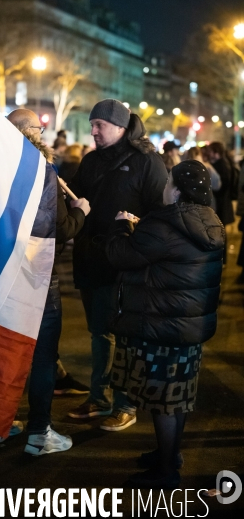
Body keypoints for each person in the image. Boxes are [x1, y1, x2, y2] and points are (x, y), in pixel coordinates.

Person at [104, 160, 224, 488]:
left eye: (169, 181)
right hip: (189, 326)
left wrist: (120, 226)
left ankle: (167, 471)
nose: (164, 186)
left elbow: (120, 256)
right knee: (178, 397)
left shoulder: (164, 224)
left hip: (162, 326)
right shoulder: (209, 220)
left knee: (163, 402)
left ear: (178, 190)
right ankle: (168, 455)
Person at [0, 108, 90, 455]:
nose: (44, 132)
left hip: (0, 275)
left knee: (5, 352)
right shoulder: (38, 171)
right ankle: (38, 432)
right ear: (27, 131)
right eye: (39, 127)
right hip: (37, 276)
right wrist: (81, 212)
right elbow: (58, 230)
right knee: (43, 356)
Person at [68, 98, 168, 430]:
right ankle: (99, 399)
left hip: (126, 264)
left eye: (100, 125)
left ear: (121, 128)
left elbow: (161, 213)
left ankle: (126, 403)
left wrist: (137, 230)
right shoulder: (90, 161)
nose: (93, 130)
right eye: (92, 124)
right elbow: (77, 203)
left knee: (125, 337)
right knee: (99, 333)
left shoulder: (147, 162)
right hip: (90, 259)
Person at [207, 142, 235, 264]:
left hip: (221, 204)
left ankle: (222, 259)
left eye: (210, 151)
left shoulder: (220, 165)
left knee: (220, 232)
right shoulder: (223, 163)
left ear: (215, 152)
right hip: (222, 204)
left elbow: (222, 186)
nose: (208, 154)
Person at [185, 146, 221, 210]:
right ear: (200, 154)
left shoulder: (184, 167)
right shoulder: (207, 167)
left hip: (188, 201)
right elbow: (217, 184)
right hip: (206, 200)